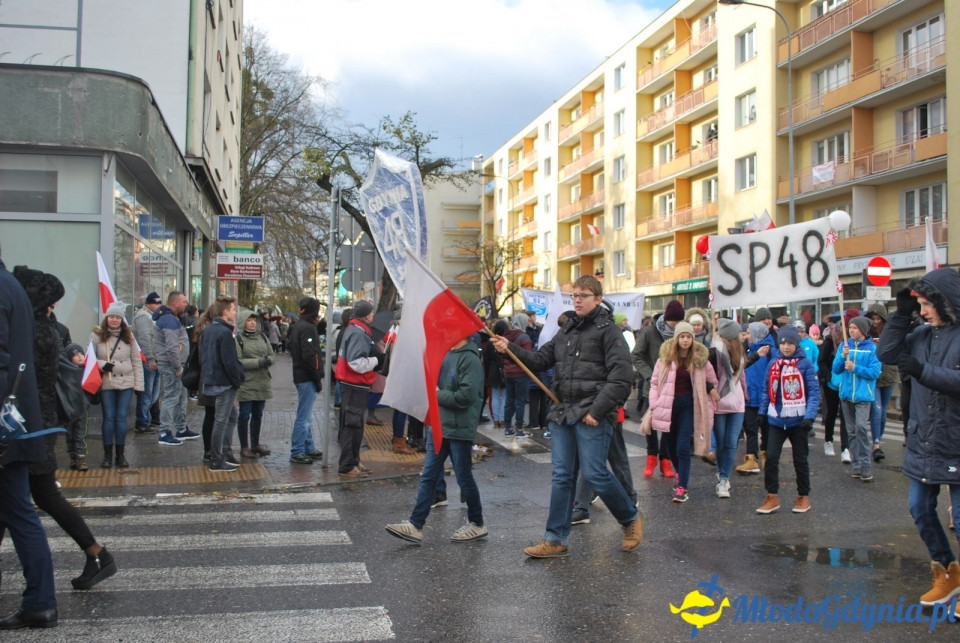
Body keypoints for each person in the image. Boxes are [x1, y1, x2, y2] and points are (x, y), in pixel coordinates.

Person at [491, 275, 643, 558]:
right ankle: (555, 538)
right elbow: (539, 361)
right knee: (562, 477)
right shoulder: (567, 331)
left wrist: (596, 412)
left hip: (592, 414)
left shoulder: (609, 332)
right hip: (563, 413)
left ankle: (630, 517)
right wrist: (509, 348)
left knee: (596, 473)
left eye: (583, 295)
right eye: (574, 295)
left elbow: (622, 378)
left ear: (598, 299)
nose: (577, 300)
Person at [12, 266, 117, 595]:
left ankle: (96, 554)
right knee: (38, 495)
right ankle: (96, 554)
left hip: (31, 425)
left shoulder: (33, 331)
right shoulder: (44, 329)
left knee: (33, 496)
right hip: (39, 424)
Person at [877, 272, 960, 610]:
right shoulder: (922, 334)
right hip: (924, 439)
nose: (923, 311)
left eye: (928, 304)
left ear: (946, 303)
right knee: (919, 509)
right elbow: (887, 352)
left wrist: (923, 371)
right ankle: (948, 572)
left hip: (956, 440)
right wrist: (900, 314)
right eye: (920, 304)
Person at [0, 255, 58, 629]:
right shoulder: (12, 288)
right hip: (17, 419)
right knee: (20, 512)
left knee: (20, 513)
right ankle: (40, 601)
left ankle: (40, 600)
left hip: (6, 422)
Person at [385, 338, 488, 544]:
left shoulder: (470, 359)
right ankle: (415, 525)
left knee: (464, 477)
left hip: (458, 428)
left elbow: (466, 396)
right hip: (439, 426)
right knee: (429, 475)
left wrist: (437, 395)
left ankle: (477, 523)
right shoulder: (448, 354)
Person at [648, 321, 719, 503]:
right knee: (670, 447)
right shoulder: (665, 358)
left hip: (688, 405)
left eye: (688, 337)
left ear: (692, 339)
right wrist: (654, 403)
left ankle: (682, 487)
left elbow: (712, 381)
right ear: (677, 338)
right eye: (682, 337)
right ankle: (680, 474)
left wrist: (710, 399)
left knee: (682, 447)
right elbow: (654, 383)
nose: (685, 340)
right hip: (667, 405)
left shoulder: (699, 359)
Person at [756, 324, 820, 514]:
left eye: (790, 343)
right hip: (776, 418)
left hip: (799, 420)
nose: (786, 347)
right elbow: (767, 391)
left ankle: (803, 496)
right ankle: (772, 496)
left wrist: (809, 416)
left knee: (800, 460)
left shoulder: (805, 364)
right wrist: (762, 412)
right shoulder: (773, 364)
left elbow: (814, 392)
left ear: (796, 344)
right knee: (772, 458)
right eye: (782, 343)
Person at [633, 300, 685, 479]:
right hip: (653, 386)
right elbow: (636, 355)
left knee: (669, 426)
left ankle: (665, 460)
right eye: (674, 322)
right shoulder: (649, 331)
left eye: (679, 321)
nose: (676, 325)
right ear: (667, 318)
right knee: (652, 425)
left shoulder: (680, 334)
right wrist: (649, 375)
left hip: (674, 387)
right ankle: (651, 458)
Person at [90, 301, 144, 468]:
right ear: (107, 319)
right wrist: (101, 364)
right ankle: (107, 456)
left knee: (121, 419)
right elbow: (89, 358)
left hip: (126, 382)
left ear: (122, 319)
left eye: (117, 317)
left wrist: (139, 385)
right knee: (109, 418)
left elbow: (136, 361)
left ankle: (120, 455)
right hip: (108, 381)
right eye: (111, 317)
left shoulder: (129, 337)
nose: (114, 320)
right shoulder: (97, 336)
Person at [335, 300, 382, 478]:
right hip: (354, 384)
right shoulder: (358, 333)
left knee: (356, 425)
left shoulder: (355, 329)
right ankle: (347, 466)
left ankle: (353, 461)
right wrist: (377, 360)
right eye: (371, 312)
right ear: (366, 315)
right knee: (351, 426)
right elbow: (356, 362)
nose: (373, 315)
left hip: (354, 385)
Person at [833, 315, 881, 482]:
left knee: (861, 428)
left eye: (854, 328)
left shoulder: (872, 349)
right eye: (850, 328)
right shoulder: (844, 346)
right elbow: (836, 369)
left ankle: (866, 465)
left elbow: (875, 372)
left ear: (863, 330)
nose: (851, 331)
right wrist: (841, 356)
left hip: (863, 396)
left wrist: (855, 368)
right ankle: (856, 465)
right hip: (846, 395)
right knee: (851, 432)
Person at [200, 296, 245, 472]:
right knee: (221, 420)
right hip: (224, 382)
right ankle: (216, 459)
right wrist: (237, 379)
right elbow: (229, 361)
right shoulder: (224, 332)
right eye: (233, 310)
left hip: (213, 379)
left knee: (231, 417)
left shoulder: (208, 330)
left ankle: (224, 452)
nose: (235, 313)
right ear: (225, 312)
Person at [708, 318, 747, 499]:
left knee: (732, 443)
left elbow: (741, 376)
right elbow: (706, 375)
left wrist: (746, 394)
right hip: (719, 402)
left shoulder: (740, 351)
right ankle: (721, 471)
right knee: (721, 443)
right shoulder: (714, 351)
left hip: (737, 403)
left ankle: (724, 479)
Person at [154, 291, 198, 445]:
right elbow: (172, 347)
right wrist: (177, 366)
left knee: (180, 397)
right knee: (171, 396)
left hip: (176, 364)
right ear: (175, 303)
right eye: (184, 301)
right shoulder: (169, 321)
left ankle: (181, 428)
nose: (186, 304)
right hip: (172, 365)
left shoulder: (173, 319)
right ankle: (165, 432)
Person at [736, 322, 777, 475]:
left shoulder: (771, 351)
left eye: (749, 333)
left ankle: (767, 456)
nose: (747, 336)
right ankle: (751, 458)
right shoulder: (748, 350)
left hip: (765, 398)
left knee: (766, 428)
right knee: (750, 428)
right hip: (749, 397)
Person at [288, 297, 324, 464]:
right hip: (307, 377)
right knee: (304, 416)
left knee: (306, 414)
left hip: (301, 375)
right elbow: (310, 356)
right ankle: (297, 450)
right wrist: (317, 378)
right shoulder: (309, 328)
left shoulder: (298, 326)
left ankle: (308, 447)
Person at [235, 308, 273, 458]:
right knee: (245, 414)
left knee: (258, 414)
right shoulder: (238, 339)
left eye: (254, 320)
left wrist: (269, 360)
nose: (252, 323)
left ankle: (255, 444)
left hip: (262, 382)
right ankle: (244, 447)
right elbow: (239, 360)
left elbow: (272, 354)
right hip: (246, 382)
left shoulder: (262, 337)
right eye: (249, 320)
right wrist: (258, 362)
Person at [864, 304, 898, 463]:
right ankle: (876, 444)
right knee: (876, 410)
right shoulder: (866, 333)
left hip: (889, 374)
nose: (875, 322)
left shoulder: (890, 333)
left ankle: (879, 438)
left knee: (883, 411)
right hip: (874, 377)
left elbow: (898, 349)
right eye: (873, 319)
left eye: (878, 319)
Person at [818, 311, 849, 460]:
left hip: (846, 383)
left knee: (845, 415)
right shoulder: (829, 340)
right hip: (831, 384)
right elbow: (821, 361)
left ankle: (845, 448)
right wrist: (828, 376)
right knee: (831, 413)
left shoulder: (851, 344)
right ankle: (828, 440)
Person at [132, 291, 161, 433]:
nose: (158, 305)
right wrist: (150, 358)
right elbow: (145, 339)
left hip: (155, 359)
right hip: (147, 360)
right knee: (147, 393)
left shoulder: (152, 316)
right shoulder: (143, 317)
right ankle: (142, 421)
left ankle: (146, 419)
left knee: (153, 393)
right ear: (148, 304)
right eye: (156, 303)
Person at [502, 313, 533, 438]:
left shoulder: (506, 336)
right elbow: (528, 355)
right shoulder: (524, 337)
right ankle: (519, 428)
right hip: (521, 373)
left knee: (509, 400)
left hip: (508, 373)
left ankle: (508, 428)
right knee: (520, 401)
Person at [61, 343, 89, 470]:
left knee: (79, 433)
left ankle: (80, 456)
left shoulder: (86, 371)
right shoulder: (65, 373)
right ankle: (73, 456)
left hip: (82, 408)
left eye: (81, 354)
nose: (79, 357)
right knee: (70, 433)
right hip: (69, 408)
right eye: (75, 355)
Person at [485, 320, 508, 429]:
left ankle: (496, 420)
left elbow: (486, 359)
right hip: (504, 370)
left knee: (494, 396)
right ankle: (503, 420)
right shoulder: (506, 341)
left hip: (493, 371)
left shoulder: (490, 342)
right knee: (504, 397)